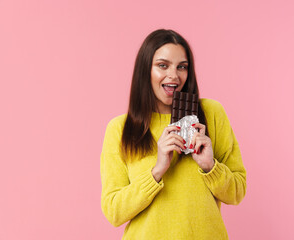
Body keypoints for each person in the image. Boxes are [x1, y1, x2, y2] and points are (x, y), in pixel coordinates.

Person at [100, 29, 247, 239]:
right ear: (145, 70)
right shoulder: (120, 129)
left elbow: (237, 192)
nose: (174, 76)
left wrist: (210, 167)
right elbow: (113, 211)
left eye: (182, 67)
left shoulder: (212, 113)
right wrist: (157, 171)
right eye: (162, 65)